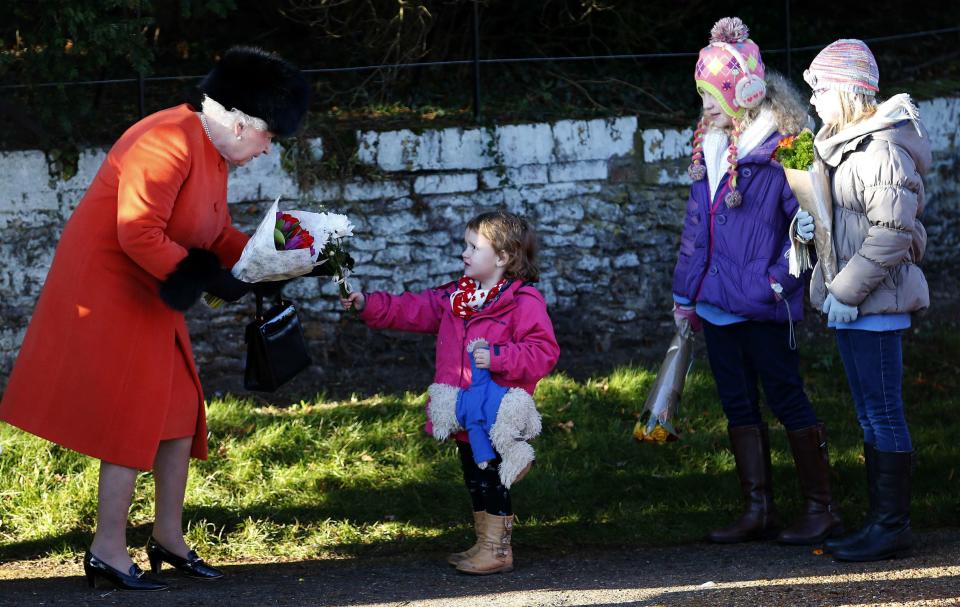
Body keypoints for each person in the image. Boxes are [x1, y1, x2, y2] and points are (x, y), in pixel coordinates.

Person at [0, 47, 310, 591]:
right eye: (269, 136)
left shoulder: (213, 150)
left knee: (181, 409)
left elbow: (212, 235)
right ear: (242, 123)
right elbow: (137, 232)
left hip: (151, 285)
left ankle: (167, 537)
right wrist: (215, 277)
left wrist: (274, 258)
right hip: (110, 286)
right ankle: (107, 549)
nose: (269, 149)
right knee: (134, 413)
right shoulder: (166, 139)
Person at [672, 17, 843, 545]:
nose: (702, 105)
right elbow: (696, 227)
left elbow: (812, 217)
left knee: (786, 395)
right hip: (717, 304)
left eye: (709, 95)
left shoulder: (789, 143)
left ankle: (822, 508)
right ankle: (758, 508)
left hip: (766, 305)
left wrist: (778, 283)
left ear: (742, 91)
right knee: (737, 403)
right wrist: (685, 294)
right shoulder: (710, 143)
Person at [340, 210, 560, 575]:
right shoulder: (458, 298)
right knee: (473, 476)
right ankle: (483, 542)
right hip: (462, 408)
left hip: (495, 411)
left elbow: (543, 351)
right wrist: (368, 304)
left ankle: (498, 550)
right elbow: (413, 309)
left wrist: (498, 357)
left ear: (503, 258)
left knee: (490, 475)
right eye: (466, 245)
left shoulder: (523, 301)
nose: (465, 253)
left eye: (474, 247)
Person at [803, 39, 930, 562]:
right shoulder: (841, 144)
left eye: (820, 90)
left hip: (874, 308)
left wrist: (846, 291)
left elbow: (893, 232)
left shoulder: (881, 150)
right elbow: (844, 226)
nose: (813, 101)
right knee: (869, 415)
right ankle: (882, 523)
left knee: (883, 414)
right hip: (853, 306)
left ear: (848, 93)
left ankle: (891, 527)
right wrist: (805, 229)